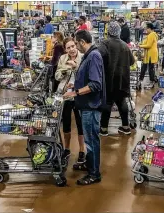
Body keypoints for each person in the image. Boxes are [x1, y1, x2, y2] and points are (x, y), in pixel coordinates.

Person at [63, 30, 105, 185]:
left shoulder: (94, 56)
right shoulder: (90, 55)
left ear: (81, 42)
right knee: (89, 139)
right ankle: (89, 164)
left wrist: (75, 92)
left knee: (91, 141)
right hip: (86, 104)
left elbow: (95, 84)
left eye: (76, 44)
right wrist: (76, 84)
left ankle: (94, 174)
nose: (76, 48)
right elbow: (87, 78)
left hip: (91, 106)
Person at [98, 22, 135, 136]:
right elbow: (132, 61)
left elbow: (98, 58)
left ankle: (104, 129)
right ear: (119, 32)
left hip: (109, 79)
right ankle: (126, 127)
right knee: (121, 102)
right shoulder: (125, 45)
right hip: (123, 79)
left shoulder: (105, 43)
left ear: (108, 32)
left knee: (107, 103)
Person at [55, 37, 85, 169]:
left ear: (76, 45)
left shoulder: (84, 57)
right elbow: (56, 76)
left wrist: (76, 67)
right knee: (66, 123)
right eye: (68, 47)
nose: (72, 49)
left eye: (73, 46)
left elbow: (87, 77)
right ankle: (66, 149)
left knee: (80, 123)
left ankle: (82, 151)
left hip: (79, 95)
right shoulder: (62, 59)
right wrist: (64, 70)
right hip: (66, 96)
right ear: (65, 50)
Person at [139, 23, 158, 88]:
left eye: (146, 28)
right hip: (149, 54)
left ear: (149, 28)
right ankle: (140, 80)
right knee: (145, 68)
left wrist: (140, 46)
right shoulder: (153, 34)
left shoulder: (151, 35)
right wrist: (142, 44)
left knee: (150, 69)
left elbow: (149, 45)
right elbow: (147, 43)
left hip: (150, 55)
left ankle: (151, 82)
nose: (146, 30)